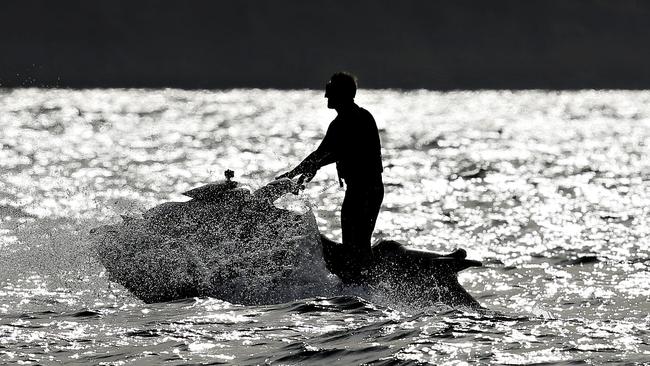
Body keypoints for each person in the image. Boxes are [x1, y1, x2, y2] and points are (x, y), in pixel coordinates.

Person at [276, 72, 384, 283]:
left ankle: (366, 283)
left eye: (330, 90)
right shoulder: (338, 123)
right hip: (356, 190)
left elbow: (342, 151)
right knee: (352, 242)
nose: (326, 96)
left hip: (367, 190)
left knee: (359, 242)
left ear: (341, 93)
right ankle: (357, 281)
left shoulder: (360, 118)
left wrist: (313, 166)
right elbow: (320, 153)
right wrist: (291, 176)